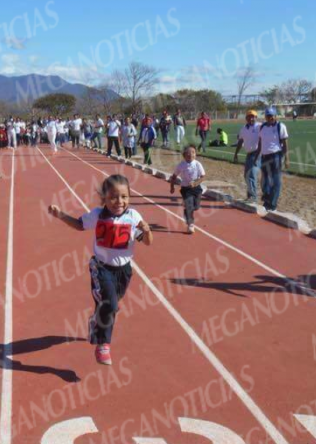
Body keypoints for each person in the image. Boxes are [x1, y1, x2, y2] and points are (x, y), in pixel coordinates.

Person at [47, 174, 153, 365]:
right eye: (113, 197)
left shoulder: (133, 217)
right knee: (110, 305)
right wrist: (60, 214)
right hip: (101, 268)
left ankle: (96, 321)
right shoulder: (97, 215)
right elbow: (80, 225)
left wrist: (147, 231)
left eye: (124, 197)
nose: (119, 201)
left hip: (124, 271)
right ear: (104, 198)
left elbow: (147, 242)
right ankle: (103, 345)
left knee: (110, 305)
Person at [169, 145, 205, 234]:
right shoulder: (181, 165)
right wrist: (172, 187)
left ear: (195, 154)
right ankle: (190, 225)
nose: (191, 154)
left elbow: (203, 176)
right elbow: (174, 176)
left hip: (197, 188)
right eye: (188, 153)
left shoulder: (197, 164)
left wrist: (196, 183)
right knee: (190, 207)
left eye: (193, 152)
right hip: (186, 189)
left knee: (196, 207)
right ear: (184, 155)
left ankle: (186, 210)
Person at [259, 107, 289, 212]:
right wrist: (259, 154)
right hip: (264, 155)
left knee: (275, 180)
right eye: (268, 116)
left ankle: (272, 204)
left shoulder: (280, 126)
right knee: (265, 180)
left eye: (271, 116)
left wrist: (286, 159)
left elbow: (285, 143)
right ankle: (267, 198)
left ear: (275, 116)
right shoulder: (262, 127)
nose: (270, 118)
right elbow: (260, 142)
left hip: (276, 155)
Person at [233, 110, 261, 202]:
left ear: (256, 117)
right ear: (246, 118)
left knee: (251, 175)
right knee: (246, 175)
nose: (251, 118)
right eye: (249, 117)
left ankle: (253, 197)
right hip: (249, 154)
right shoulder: (244, 129)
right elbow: (240, 141)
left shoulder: (260, 126)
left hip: (257, 153)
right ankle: (250, 196)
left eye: (253, 116)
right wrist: (236, 154)